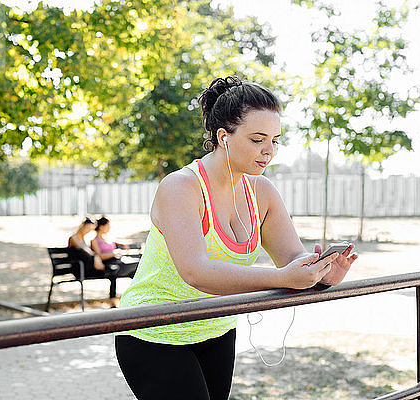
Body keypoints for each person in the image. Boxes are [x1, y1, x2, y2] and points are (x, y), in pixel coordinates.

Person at [115, 76, 358, 400]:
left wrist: (322, 273)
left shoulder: (262, 191)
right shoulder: (181, 187)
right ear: (223, 137)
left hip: (217, 328)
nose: (269, 151)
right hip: (153, 330)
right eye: (258, 139)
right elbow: (195, 271)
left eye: (275, 140)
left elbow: (291, 257)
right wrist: (282, 278)